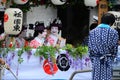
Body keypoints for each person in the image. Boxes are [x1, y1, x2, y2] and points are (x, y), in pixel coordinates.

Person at [88, 13, 119, 80]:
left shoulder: (92, 32)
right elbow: (115, 51)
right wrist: (111, 59)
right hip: (108, 61)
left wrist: (94, 60)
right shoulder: (114, 33)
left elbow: (90, 50)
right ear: (111, 23)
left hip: (96, 61)